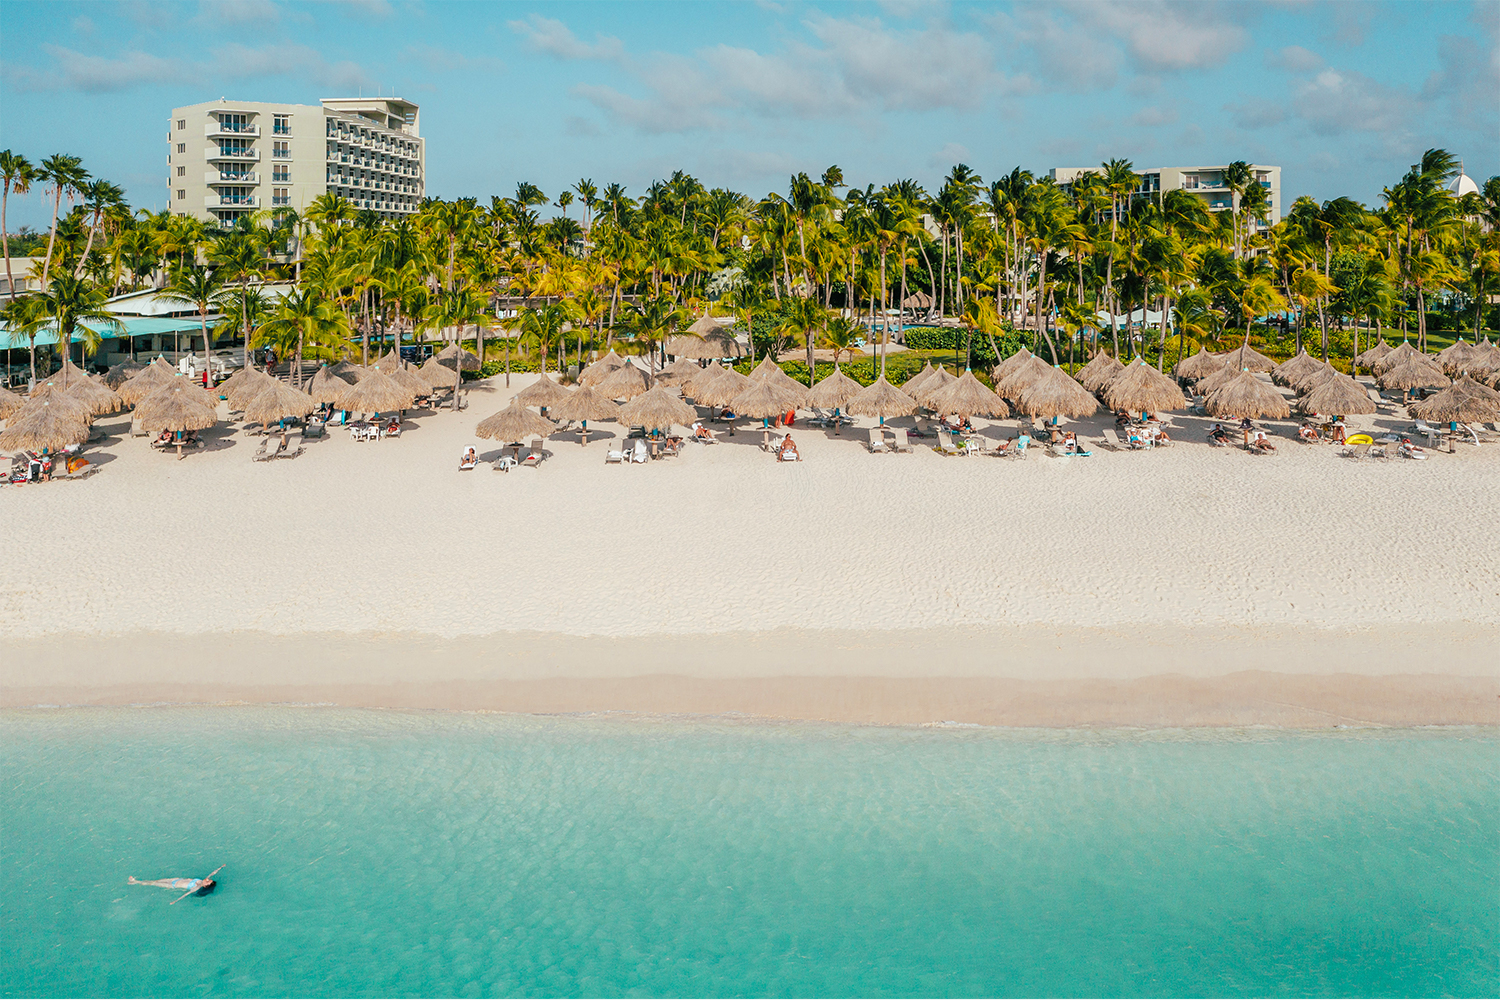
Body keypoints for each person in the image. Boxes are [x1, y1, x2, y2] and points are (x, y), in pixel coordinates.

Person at [129, 866, 223, 904]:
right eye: (208, 879)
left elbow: (185, 894)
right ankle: (136, 881)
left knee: (154, 883)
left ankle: (135, 881)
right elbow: (212, 873)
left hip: (172, 886)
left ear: (205, 886)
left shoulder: (196, 887)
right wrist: (220, 868)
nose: (207, 879)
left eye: (208, 881)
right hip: (175, 880)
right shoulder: (201, 881)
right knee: (155, 880)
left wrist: (175, 901)